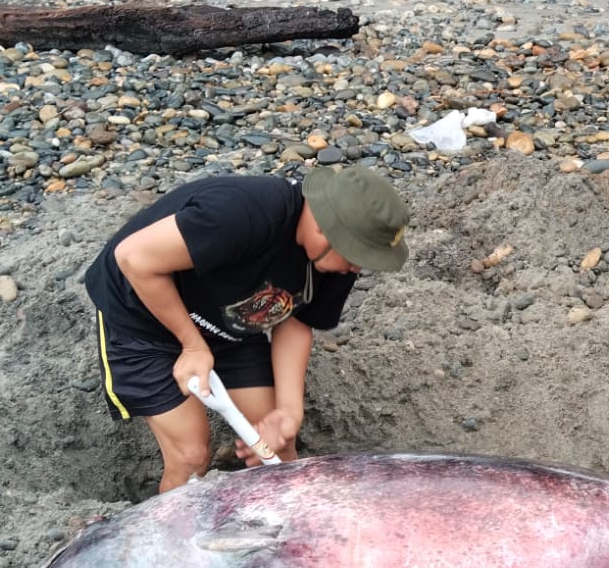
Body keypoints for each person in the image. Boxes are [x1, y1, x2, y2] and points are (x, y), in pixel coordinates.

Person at [84, 166, 410, 493]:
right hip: (141, 316)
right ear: (325, 229)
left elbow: (297, 322)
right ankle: (171, 540)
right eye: (356, 256)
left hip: (230, 323)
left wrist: (288, 413)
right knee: (191, 456)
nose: (356, 268)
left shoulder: (336, 263)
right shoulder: (242, 214)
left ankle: (284, 538)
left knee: (278, 446)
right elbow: (133, 258)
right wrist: (193, 346)